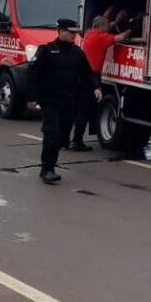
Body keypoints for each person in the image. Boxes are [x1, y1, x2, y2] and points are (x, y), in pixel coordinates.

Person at [29, 18, 100, 184]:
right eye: (70, 32)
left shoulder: (77, 52)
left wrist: (95, 87)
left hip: (69, 101)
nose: (73, 35)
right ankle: (48, 168)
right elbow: (32, 74)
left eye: (75, 32)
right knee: (51, 133)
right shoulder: (46, 51)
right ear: (60, 31)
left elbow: (86, 72)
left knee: (62, 137)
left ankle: (51, 161)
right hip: (50, 100)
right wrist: (32, 97)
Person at [75, 16, 129, 151]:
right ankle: (76, 141)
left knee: (81, 109)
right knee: (86, 109)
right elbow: (120, 38)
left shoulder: (89, 33)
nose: (108, 27)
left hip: (83, 74)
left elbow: (105, 25)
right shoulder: (102, 38)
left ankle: (72, 140)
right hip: (92, 76)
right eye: (106, 25)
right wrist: (130, 30)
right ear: (101, 27)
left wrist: (115, 22)